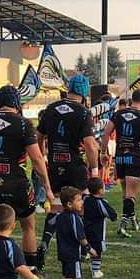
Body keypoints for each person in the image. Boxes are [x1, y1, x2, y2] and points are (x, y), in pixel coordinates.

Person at [0, 84, 54, 275]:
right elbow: (37, 159)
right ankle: (31, 269)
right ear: (16, 102)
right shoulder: (22, 123)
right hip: (16, 182)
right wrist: (47, 187)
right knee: (28, 226)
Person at [36, 75, 98, 268]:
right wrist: (95, 170)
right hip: (75, 166)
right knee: (80, 207)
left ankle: (44, 244)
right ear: (84, 93)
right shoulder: (83, 112)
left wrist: (43, 157)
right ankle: (82, 250)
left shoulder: (50, 109)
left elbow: (39, 137)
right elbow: (90, 144)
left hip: (55, 164)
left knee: (55, 207)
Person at [100, 88, 140, 235]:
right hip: (134, 157)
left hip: (120, 157)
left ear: (131, 100)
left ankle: (133, 220)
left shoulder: (118, 114)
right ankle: (123, 223)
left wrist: (103, 152)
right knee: (131, 194)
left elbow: (106, 133)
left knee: (125, 193)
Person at [55, 186, 96, 279]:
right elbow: (81, 237)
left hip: (62, 251)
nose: (82, 202)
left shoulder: (60, 216)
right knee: (70, 276)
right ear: (69, 204)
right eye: (78, 200)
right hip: (71, 253)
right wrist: (89, 249)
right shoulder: (74, 217)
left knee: (68, 273)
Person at [83, 176, 116, 279]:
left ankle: (89, 263)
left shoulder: (86, 199)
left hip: (85, 229)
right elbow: (112, 215)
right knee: (97, 250)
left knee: (88, 247)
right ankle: (95, 271)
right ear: (100, 190)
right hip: (97, 231)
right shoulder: (100, 203)